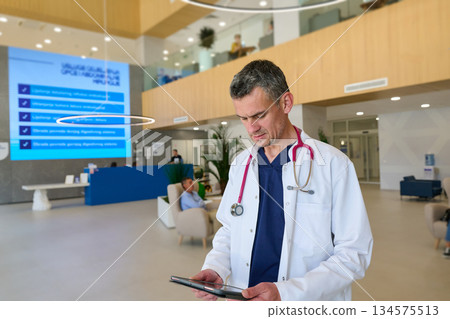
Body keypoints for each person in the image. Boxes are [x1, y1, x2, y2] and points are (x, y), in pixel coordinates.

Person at [190, 60, 373, 301]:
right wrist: (216, 268)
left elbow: (353, 253)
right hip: (244, 297)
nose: (251, 128)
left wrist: (286, 293)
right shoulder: (240, 165)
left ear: (286, 103)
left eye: (258, 115)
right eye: (243, 118)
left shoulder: (332, 165)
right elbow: (229, 229)